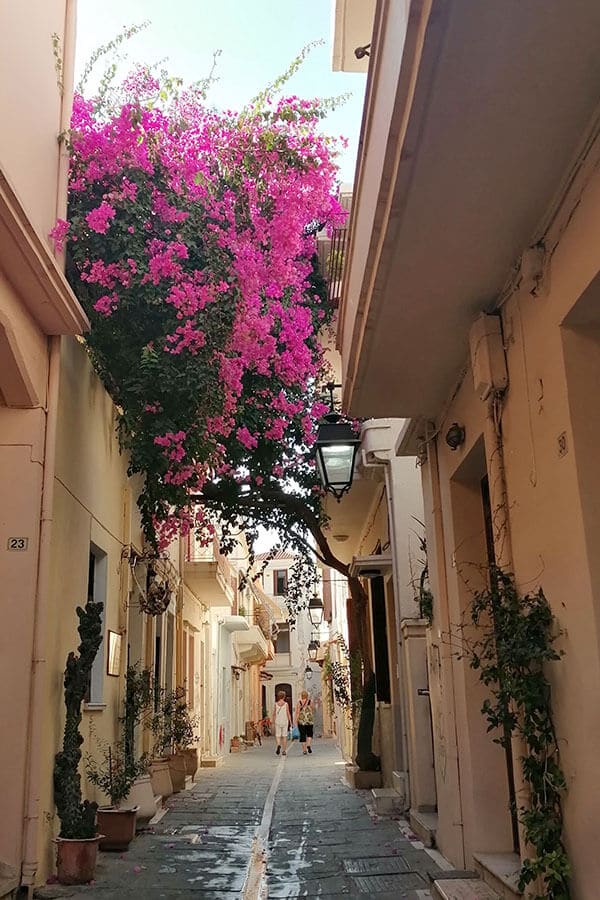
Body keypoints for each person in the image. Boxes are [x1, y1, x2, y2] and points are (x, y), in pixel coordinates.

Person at [272, 691, 292, 756]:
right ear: (284, 696)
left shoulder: (276, 704)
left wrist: (273, 722)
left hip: (277, 721)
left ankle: (278, 745)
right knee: (284, 736)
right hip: (284, 721)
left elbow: (274, 714)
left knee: (278, 735)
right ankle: (284, 750)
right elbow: (288, 713)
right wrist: (290, 722)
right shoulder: (286, 704)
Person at [295, 690, 314, 755]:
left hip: (301, 721)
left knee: (302, 735)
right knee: (309, 734)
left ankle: (304, 750)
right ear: (307, 696)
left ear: (301, 696)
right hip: (309, 720)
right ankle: (308, 745)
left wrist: (296, 720)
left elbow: (297, 712)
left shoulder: (299, 702)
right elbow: (312, 709)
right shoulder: (310, 702)